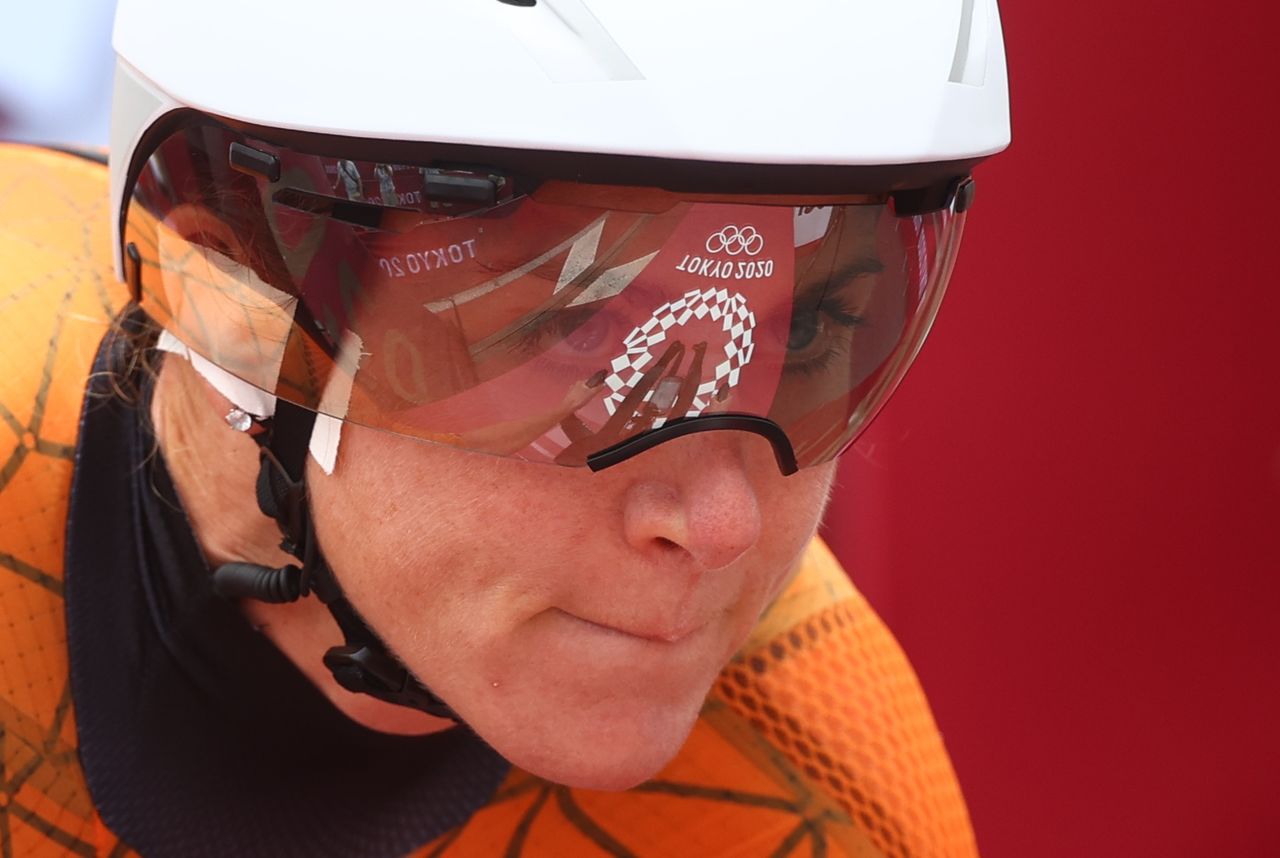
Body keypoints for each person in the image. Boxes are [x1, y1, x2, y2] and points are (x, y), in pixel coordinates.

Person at [0, 0, 1009, 854]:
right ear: (234, 306)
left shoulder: (829, 793)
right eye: (573, 328)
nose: (721, 524)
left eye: (817, 328)